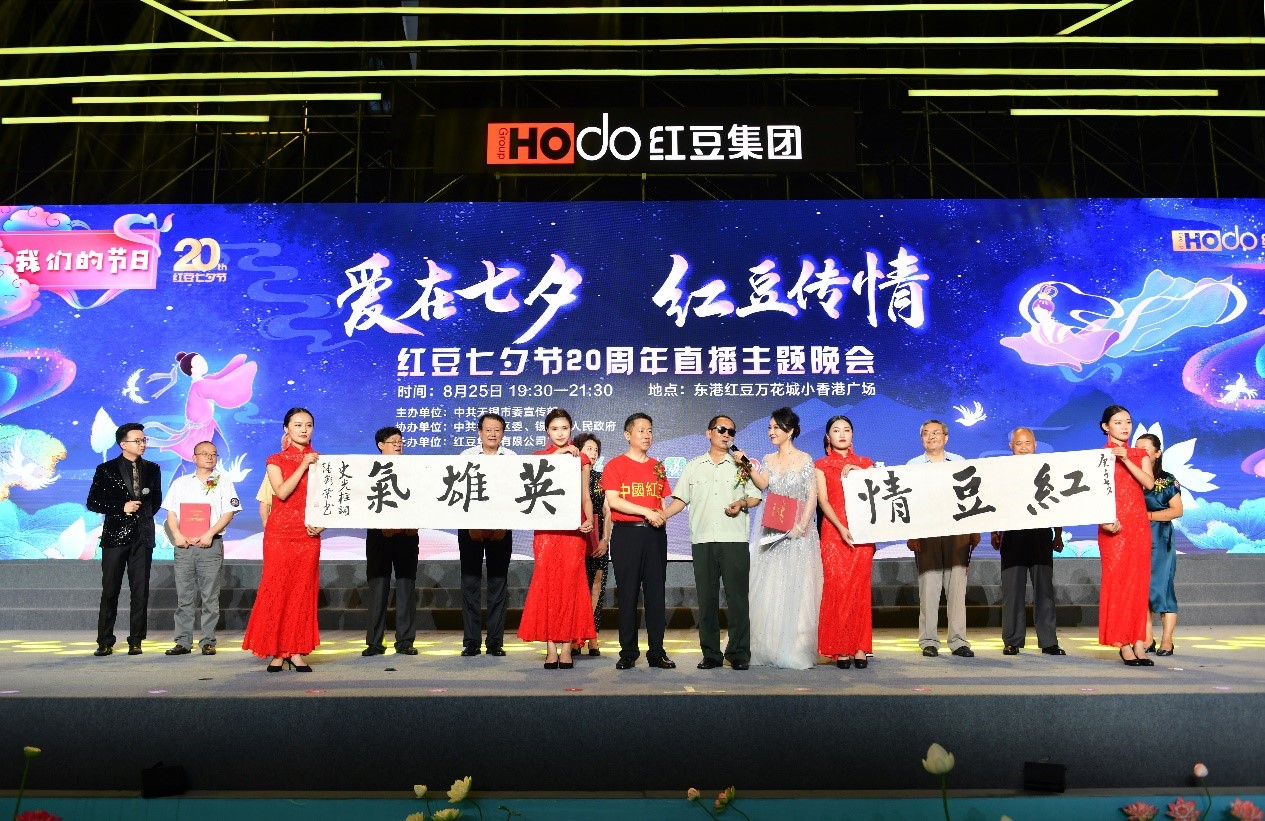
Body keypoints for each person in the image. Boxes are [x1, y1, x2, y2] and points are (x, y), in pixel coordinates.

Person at [663, 415, 761, 671]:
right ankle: (711, 654)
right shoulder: (694, 466)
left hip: (734, 540)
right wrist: (662, 515)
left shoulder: (742, 465)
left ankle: (738, 653)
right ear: (709, 433)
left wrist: (741, 502)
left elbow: (755, 496)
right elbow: (680, 500)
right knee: (706, 600)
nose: (727, 434)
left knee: (738, 600)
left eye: (731, 431)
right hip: (703, 540)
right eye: (721, 429)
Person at [242, 407, 325, 672]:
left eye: (308, 425)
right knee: (276, 589)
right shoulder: (274, 460)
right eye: (298, 425)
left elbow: (329, 502)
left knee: (302, 592)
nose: (304, 429)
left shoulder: (322, 462)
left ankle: (296, 650)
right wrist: (303, 464)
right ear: (286, 429)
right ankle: (277, 651)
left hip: (307, 536)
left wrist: (322, 524)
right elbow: (282, 492)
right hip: (279, 534)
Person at [741, 407, 823, 670]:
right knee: (770, 585)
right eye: (770, 427)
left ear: (791, 430)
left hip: (799, 530)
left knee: (798, 586)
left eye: (776, 427)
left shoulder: (805, 459)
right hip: (773, 527)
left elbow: (812, 496)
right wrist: (746, 464)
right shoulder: (768, 459)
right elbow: (763, 484)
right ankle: (768, 645)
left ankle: (794, 646)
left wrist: (802, 525)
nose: (771, 432)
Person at [517, 408, 596, 669]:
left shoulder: (581, 458)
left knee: (571, 586)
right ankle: (551, 647)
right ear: (547, 432)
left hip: (573, 531)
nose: (560, 433)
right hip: (547, 532)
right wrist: (558, 455)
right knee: (547, 586)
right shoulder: (539, 457)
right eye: (554, 429)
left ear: (571, 429)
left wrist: (588, 519)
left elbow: (585, 495)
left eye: (564, 428)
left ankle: (567, 647)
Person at [603, 412, 675, 670]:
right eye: (641, 430)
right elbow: (614, 501)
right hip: (627, 534)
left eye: (650, 431)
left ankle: (656, 651)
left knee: (656, 594)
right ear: (628, 435)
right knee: (628, 594)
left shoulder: (657, 466)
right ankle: (628, 652)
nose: (647, 435)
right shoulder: (615, 465)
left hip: (654, 535)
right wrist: (646, 513)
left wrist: (660, 518)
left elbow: (661, 501)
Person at [86, 422, 164, 657]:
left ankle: (136, 640)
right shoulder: (106, 469)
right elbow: (93, 502)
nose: (142, 444)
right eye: (137, 441)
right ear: (123, 444)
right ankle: (105, 640)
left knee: (140, 591)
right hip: (115, 536)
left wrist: (143, 518)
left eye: (144, 440)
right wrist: (122, 507)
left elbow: (156, 501)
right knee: (110, 590)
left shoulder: (153, 469)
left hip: (143, 536)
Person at [160, 440, 242, 656]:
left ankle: (208, 641)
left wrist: (210, 533)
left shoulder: (224, 482)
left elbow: (229, 513)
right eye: (205, 453)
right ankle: (182, 641)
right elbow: (171, 513)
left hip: (210, 544)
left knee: (210, 596)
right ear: (194, 457)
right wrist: (177, 535)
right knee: (184, 596)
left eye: (213, 453)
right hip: (184, 546)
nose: (210, 457)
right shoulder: (180, 483)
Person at [908, 419, 979, 659]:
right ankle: (928, 640)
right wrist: (912, 534)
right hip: (926, 533)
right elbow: (909, 504)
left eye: (936, 433)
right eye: (926, 433)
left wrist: (974, 529)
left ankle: (958, 641)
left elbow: (971, 498)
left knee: (957, 588)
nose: (931, 437)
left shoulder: (959, 462)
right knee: (929, 588)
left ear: (946, 438)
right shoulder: (913, 466)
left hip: (957, 532)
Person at [991, 427, 1065, 657]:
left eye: (1027, 443)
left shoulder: (1047, 469)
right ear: (1011, 446)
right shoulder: (1002, 472)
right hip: (1012, 537)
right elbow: (994, 501)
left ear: (1035, 445)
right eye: (1018, 443)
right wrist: (993, 531)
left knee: (1045, 591)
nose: (1023, 448)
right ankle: (1012, 640)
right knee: (1012, 592)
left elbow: (1058, 503)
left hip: (1040, 535)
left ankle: (1049, 641)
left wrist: (1058, 534)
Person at [814, 415, 875, 670]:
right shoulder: (820, 465)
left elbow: (878, 489)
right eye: (836, 430)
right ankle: (840, 647)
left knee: (860, 590)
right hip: (833, 532)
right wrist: (840, 527)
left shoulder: (866, 463)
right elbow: (823, 501)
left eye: (846, 430)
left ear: (852, 435)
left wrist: (859, 472)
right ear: (828, 436)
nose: (842, 434)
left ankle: (860, 647)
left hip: (862, 533)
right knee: (837, 589)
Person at [1097, 404, 1156, 667]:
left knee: (1139, 584)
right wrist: (1103, 519)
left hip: (1137, 525)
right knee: (1118, 583)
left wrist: (1125, 459)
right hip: (1113, 527)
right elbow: (1093, 495)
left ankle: (1139, 641)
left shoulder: (1139, 453)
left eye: (1128, 422)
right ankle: (1123, 642)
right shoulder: (1098, 456)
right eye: (1118, 422)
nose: (1124, 426)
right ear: (1105, 427)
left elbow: (1149, 483)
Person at [457, 413, 516, 657]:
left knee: (498, 583)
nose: (493, 434)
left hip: (501, 529)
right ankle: (471, 641)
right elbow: (458, 493)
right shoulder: (466, 457)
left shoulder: (511, 458)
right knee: (470, 583)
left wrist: (504, 524)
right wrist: (471, 524)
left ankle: (495, 642)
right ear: (479, 432)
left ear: (503, 433)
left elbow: (515, 496)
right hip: (470, 529)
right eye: (488, 430)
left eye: (497, 430)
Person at [363, 426, 420, 657]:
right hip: (380, 536)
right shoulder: (368, 469)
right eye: (393, 441)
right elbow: (362, 501)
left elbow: (422, 499)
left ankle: (405, 641)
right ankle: (375, 642)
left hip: (407, 535)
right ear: (380, 445)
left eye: (400, 441)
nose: (398, 444)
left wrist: (414, 524)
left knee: (406, 587)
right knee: (378, 588)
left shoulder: (414, 469)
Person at [1138, 432, 1182, 657]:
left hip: (1160, 537)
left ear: (1157, 453)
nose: (1140, 452)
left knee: (1161, 589)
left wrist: (1149, 516)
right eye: (1137, 448)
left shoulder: (1166, 480)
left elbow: (1177, 510)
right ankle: (1147, 638)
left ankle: (1167, 640)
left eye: (1145, 448)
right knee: (1142, 590)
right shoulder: (1132, 476)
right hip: (1137, 539)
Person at [575, 433, 612, 657]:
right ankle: (575, 635)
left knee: (596, 586)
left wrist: (605, 539)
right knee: (577, 587)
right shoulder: (569, 477)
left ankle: (592, 635)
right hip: (576, 535)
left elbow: (608, 511)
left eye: (596, 450)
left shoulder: (602, 478)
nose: (593, 453)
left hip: (598, 537)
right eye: (589, 449)